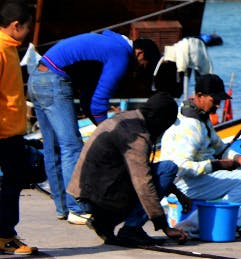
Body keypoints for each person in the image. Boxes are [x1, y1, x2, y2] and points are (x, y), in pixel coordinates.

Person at [29, 30, 159, 224]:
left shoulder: (107, 46)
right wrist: (112, 132)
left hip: (37, 78)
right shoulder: (121, 54)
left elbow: (88, 100)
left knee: (53, 147)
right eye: (143, 66)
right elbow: (98, 105)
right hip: (54, 81)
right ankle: (77, 208)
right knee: (72, 147)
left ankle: (63, 208)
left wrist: (100, 124)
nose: (138, 71)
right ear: (139, 53)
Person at [66, 92, 190, 247]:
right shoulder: (137, 136)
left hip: (86, 192)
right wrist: (165, 227)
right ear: (160, 120)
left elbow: (142, 170)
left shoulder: (128, 118)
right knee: (168, 168)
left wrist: (177, 193)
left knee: (155, 173)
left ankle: (104, 222)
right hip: (97, 198)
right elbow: (144, 184)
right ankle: (131, 229)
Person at [160, 74, 241, 235]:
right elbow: (182, 167)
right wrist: (217, 165)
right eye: (215, 101)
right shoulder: (189, 127)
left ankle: (198, 223)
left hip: (195, 178)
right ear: (199, 96)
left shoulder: (201, 117)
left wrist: (237, 158)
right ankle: (210, 223)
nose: (218, 106)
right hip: (180, 183)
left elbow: (219, 145)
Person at [0, 2, 35, 256]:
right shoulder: (1, 49)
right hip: (4, 132)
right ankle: (4, 235)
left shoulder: (9, 47)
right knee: (12, 183)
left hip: (11, 129)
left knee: (13, 182)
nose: (29, 33)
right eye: (28, 27)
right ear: (16, 26)